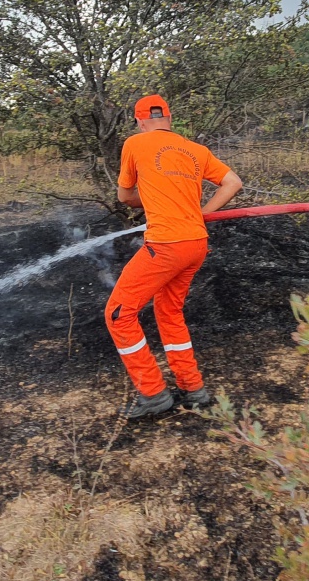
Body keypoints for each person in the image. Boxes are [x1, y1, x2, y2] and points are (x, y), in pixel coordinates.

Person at [104, 94, 244, 418]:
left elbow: (124, 195)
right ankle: (193, 388)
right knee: (169, 312)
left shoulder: (135, 145)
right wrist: (202, 213)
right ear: (169, 118)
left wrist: (148, 197)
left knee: (118, 314)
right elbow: (232, 182)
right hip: (195, 244)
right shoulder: (196, 150)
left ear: (140, 121)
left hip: (166, 246)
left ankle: (153, 394)